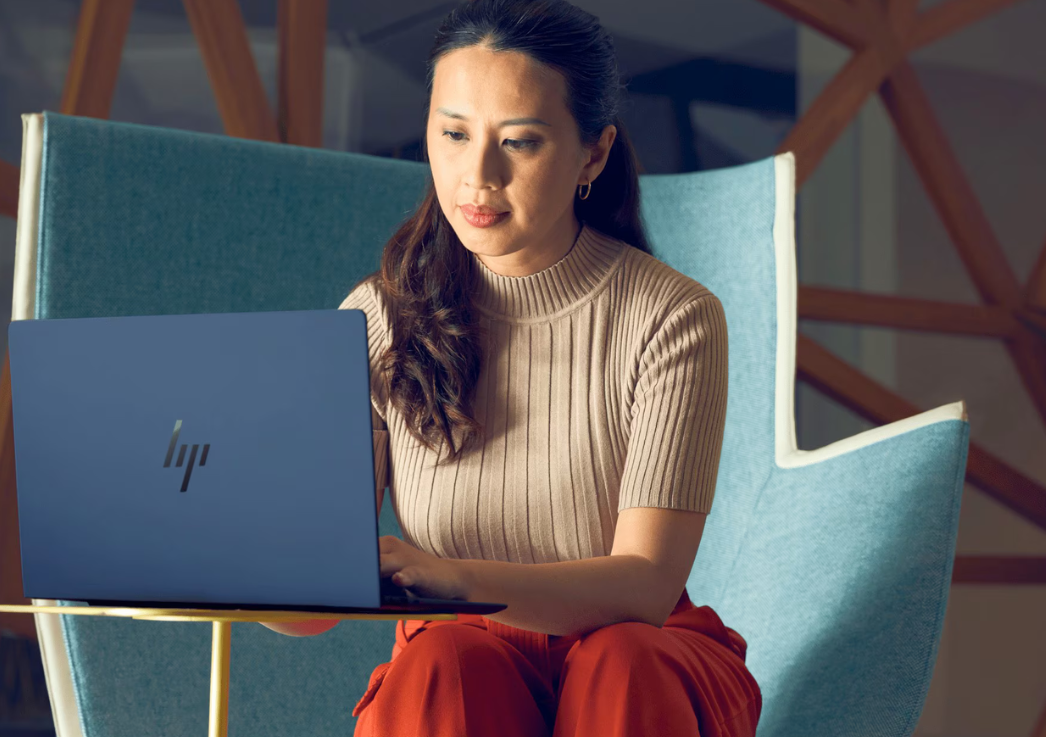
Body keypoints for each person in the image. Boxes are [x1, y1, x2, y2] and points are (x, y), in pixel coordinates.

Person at [262, 1, 762, 734]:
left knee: (618, 659)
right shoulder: (377, 317)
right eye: (454, 134)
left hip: (643, 662)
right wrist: (243, 561)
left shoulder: (671, 316)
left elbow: (648, 584)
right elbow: (311, 618)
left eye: (520, 142)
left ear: (593, 154)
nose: (477, 175)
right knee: (443, 664)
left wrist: (456, 576)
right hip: (459, 662)